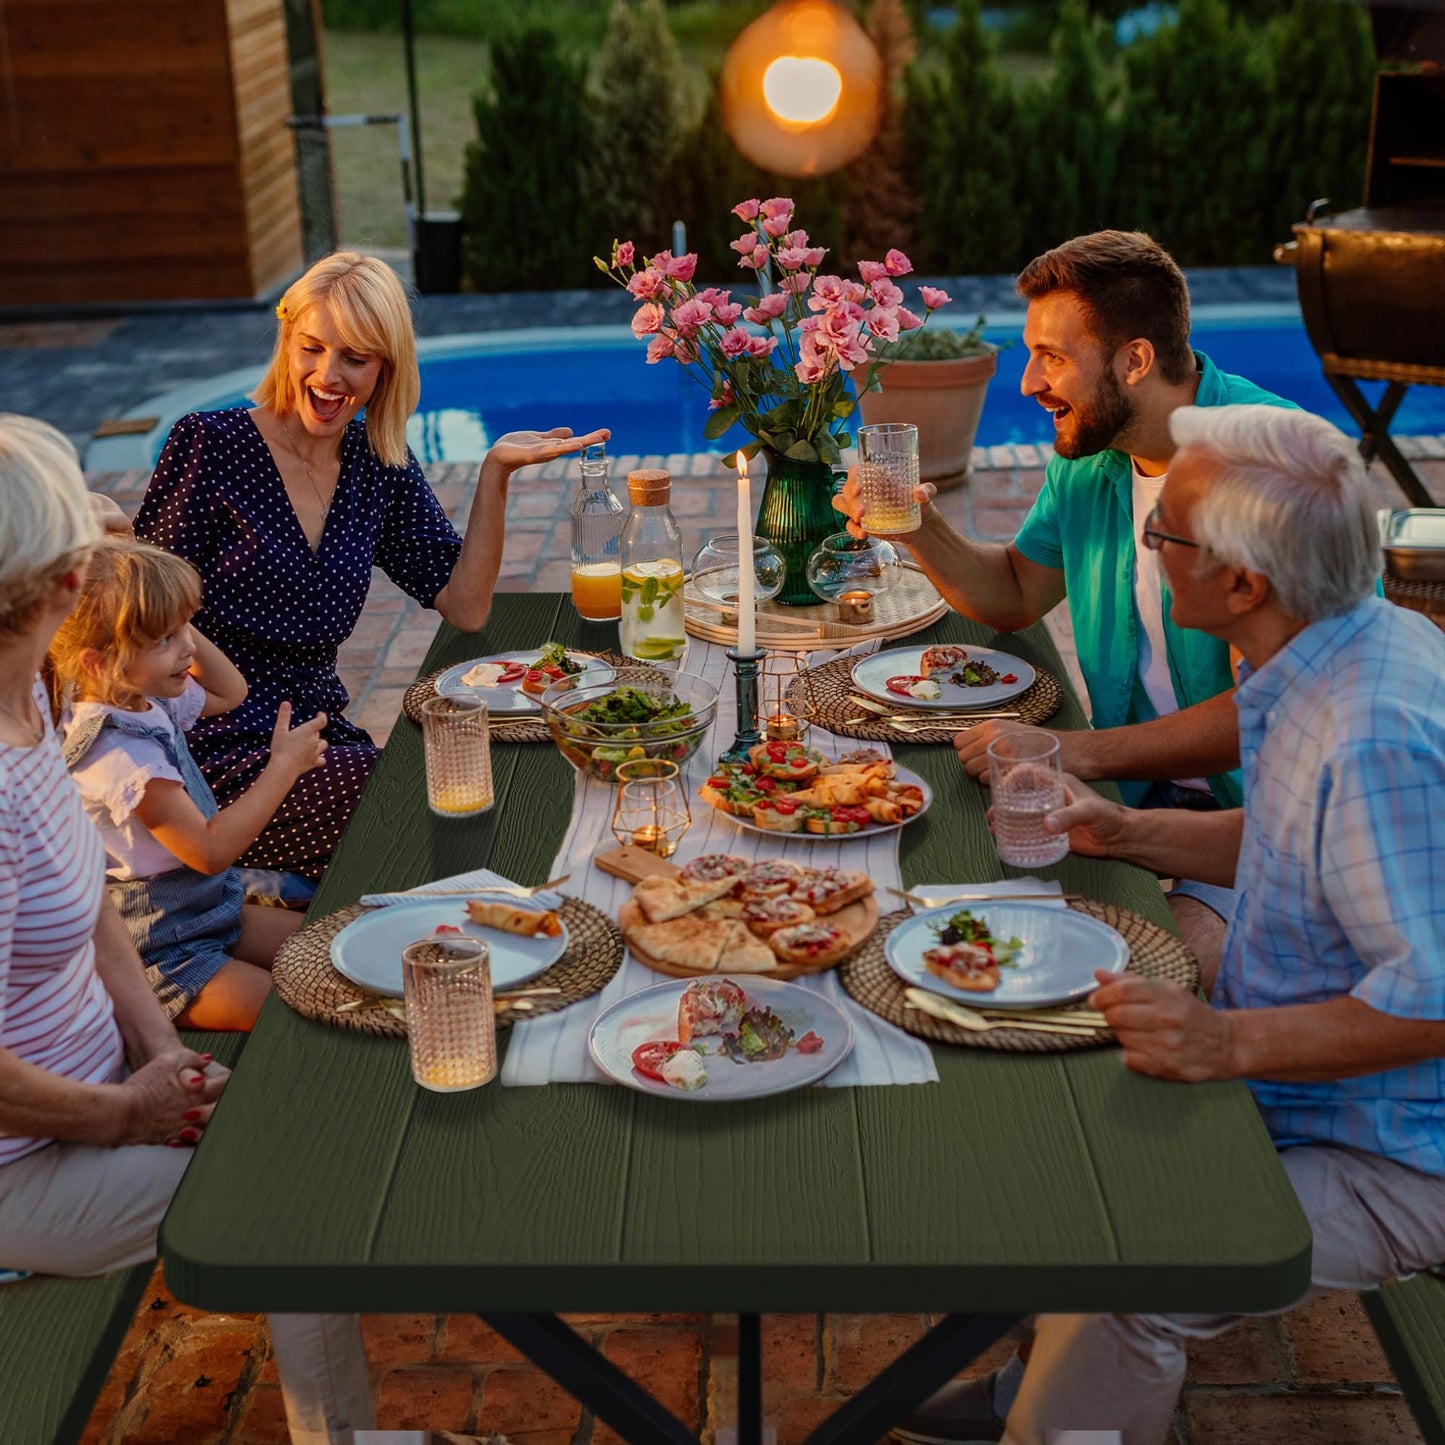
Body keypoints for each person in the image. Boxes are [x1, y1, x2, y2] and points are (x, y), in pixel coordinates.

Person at [893, 404, 1445, 1445]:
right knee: (1064, 1128)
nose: (1146, 546)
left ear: (1241, 583)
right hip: (1309, 1080)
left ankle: (1060, 1418)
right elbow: (1296, 838)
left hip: (1401, 1147)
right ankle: (1037, 1393)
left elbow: (1432, 998)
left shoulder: (1367, 732)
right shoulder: (1325, 649)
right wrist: (1126, 829)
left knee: (1140, 1264)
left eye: (1166, 534)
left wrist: (1224, 1039)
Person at [0, 414, 374, 1445]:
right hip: (26, 1160)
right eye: (84, 542)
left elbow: (93, 912)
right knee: (293, 1183)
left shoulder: (33, 709)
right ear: (62, 586)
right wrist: (128, 1112)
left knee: (307, 1049)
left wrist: (161, 1053)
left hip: (111, 1072)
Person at [836, 232, 1294, 968]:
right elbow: (1017, 590)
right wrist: (918, 525)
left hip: (1266, 820)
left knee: (1138, 973)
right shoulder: (1091, 455)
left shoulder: (1267, 468)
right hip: (1137, 796)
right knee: (942, 904)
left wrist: (1075, 752)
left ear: (1134, 360)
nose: (1025, 383)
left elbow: (1274, 707)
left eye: (1052, 356)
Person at [134, 250, 609, 880]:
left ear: (386, 368)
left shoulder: (374, 462)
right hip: (213, 750)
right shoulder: (211, 445)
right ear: (287, 340)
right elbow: (141, 613)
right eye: (312, 348)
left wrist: (495, 473)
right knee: (430, 805)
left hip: (320, 741)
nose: (328, 376)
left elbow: (464, 604)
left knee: (501, 760)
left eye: (354, 358)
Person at [48, 538, 328, 1029]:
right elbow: (209, 849)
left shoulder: (139, 697)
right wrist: (282, 769)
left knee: (330, 955)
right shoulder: (120, 757)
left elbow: (230, 690)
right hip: (163, 953)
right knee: (297, 1013)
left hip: (212, 907)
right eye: (164, 640)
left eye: (184, 631)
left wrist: (166, 615)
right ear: (98, 662)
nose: (189, 649)